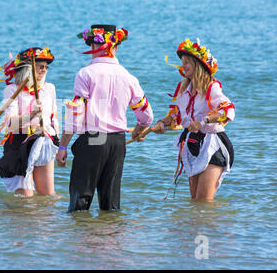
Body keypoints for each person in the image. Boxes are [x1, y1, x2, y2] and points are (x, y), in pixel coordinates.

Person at [55, 24, 154, 212]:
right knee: (111, 203)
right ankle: (111, 239)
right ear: (115, 48)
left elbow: (76, 116)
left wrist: (63, 146)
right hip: (117, 141)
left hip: (93, 139)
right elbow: (146, 115)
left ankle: (82, 239)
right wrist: (141, 129)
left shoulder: (85, 74)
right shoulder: (128, 77)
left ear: (93, 46)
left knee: (80, 200)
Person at [152, 38, 235, 201]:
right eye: (182, 62)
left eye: (187, 62)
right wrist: (162, 122)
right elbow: (176, 115)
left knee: (204, 201)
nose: (183, 66)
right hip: (192, 145)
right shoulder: (183, 89)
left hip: (213, 145)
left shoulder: (212, 87)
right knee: (195, 202)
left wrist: (203, 121)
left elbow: (228, 109)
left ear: (197, 65)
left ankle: (215, 226)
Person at [0, 47, 59, 197]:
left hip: (44, 140)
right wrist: (31, 115)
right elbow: (10, 124)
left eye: (46, 67)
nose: (44, 70)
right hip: (19, 142)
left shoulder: (50, 88)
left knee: (48, 195)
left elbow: (53, 119)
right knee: (25, 198)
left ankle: (50, 220)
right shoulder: (12, 90)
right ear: (27, 68)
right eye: (40, 66)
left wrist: (59, 146)